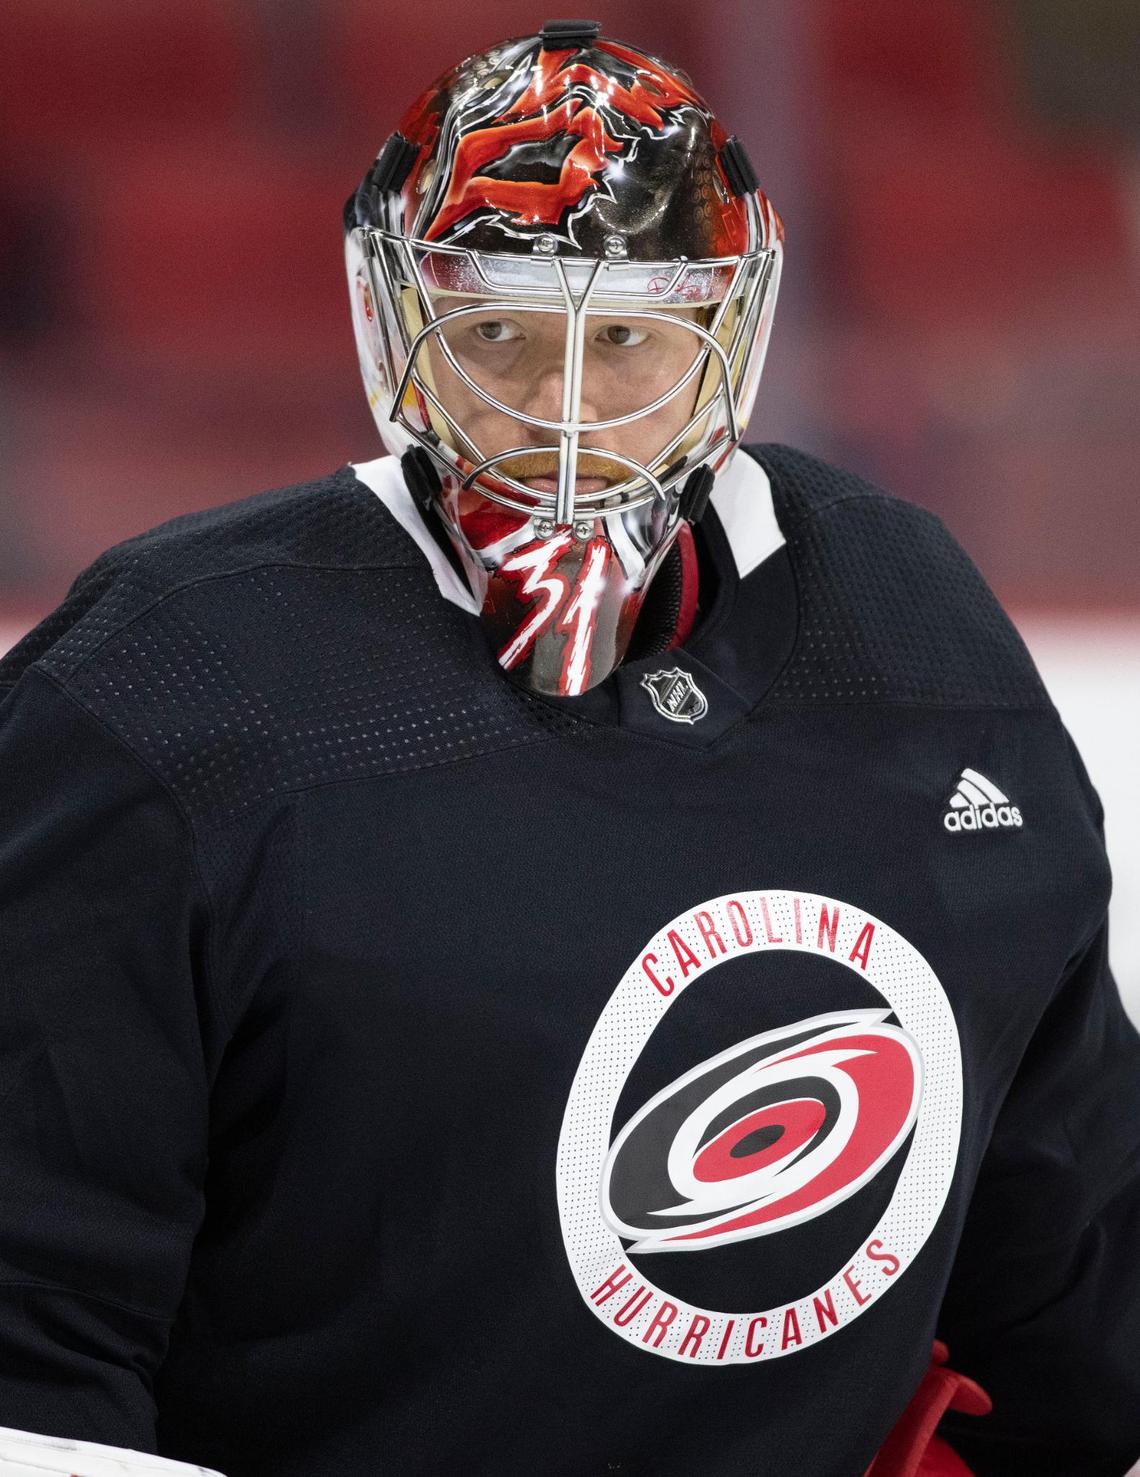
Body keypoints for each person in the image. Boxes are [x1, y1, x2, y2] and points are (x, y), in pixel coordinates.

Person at [0, 20, 1137, 1477]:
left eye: (631, 343)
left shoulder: (909, 631)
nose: (567, 414)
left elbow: (1081, 1284)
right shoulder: (163, 687)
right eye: (499, 337)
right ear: (395, 326)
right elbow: (37, 1339)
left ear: (727, 340)